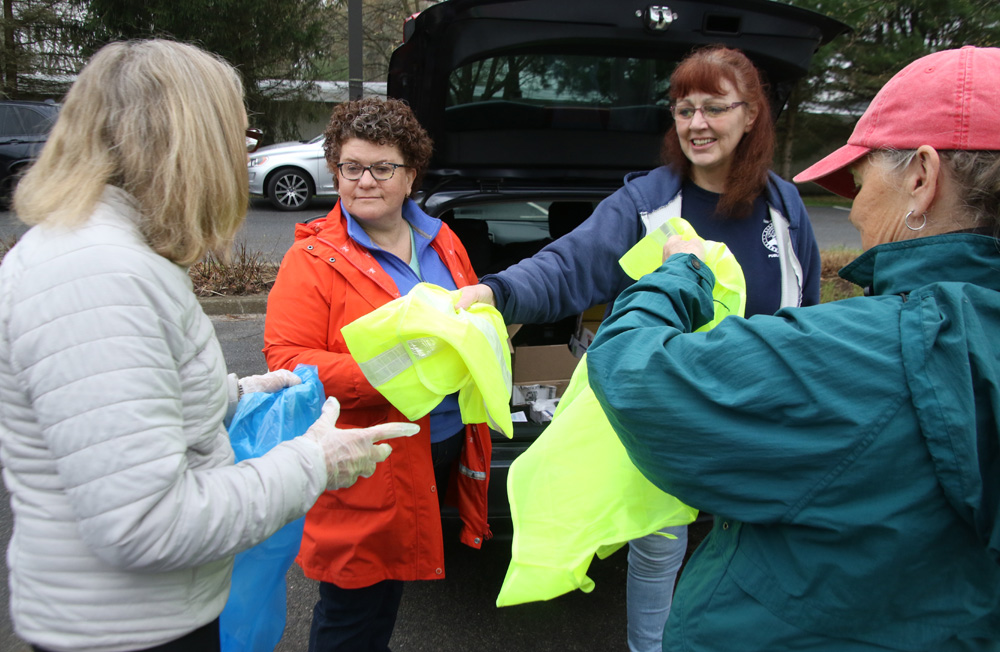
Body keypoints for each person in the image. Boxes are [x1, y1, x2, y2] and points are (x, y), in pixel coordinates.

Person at [0, 40, 417, 652]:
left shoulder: (104, 251)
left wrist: (235, 394)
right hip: (126, 632)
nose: (239, 153)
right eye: (235, 136)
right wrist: (314, 462)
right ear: (185, 142)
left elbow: (123, 408)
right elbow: (144, 524)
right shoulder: (98, 275)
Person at [587, 45, 1000, 651]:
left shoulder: (872, 349)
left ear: (922, 177)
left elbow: (633, 374)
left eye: (859, 182)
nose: (854, 208)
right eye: (683, 109)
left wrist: (677, 277)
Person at [457, 45, 821, 652]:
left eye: (714, 107)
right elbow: (566, 267)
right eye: (683, 110)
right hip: (672, 413)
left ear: (752, 113)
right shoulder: (647, 205)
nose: (697, 124)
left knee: (752, 547)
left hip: (759, 415)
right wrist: (496, 293)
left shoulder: (785, 207)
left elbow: (805, 310)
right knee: (659, 545)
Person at [263, 96, 492, 652]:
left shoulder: (442, 239)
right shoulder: (314, 259)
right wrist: (394, 372)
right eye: (350, 167)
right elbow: (287, 360)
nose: (364, 181)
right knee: (352, 605)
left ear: (411, 173)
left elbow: (472, 314)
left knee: (393, 589)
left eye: (382, 167)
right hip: (365, 453)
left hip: (439, 443)